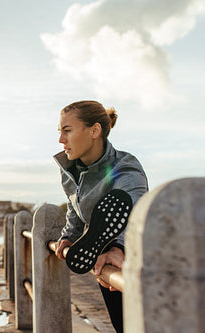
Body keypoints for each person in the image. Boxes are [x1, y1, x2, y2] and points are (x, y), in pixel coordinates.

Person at [53, 100, 148, 333]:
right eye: (59, 132)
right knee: (122, 325)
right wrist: (69, 236)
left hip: (135, 255)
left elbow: (133, 207)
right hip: (101, 256)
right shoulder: (70, 170)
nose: (60, 140)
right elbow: (74, 208)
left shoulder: (125, 167)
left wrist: (118, 248)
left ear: (94, 130)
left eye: (67, 131)